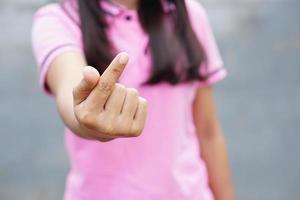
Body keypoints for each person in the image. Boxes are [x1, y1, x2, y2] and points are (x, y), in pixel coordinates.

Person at [32, 0, 234, 199]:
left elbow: (208, 131)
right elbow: (69, 88)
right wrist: (84, 116)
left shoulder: (189, 13)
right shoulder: (58, 20)